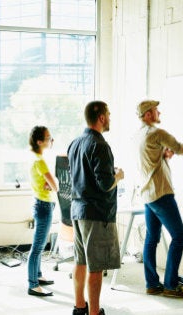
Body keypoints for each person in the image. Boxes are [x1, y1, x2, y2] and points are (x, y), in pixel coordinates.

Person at [135, 99, 183, 298]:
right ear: (148, 114)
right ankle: (171, 285)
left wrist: (163, 156)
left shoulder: (139, 135)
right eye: (156, 110)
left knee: (151, 238)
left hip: (148, 194)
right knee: (180, 237)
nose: (160, 112)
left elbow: (151, 159)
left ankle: (152, 283)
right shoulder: (158, 133)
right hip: (161, 194)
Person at [67, 100, 124, 315]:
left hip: (78, 210)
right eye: (108, 114)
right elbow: (105, 184)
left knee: (80, 261)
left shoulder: (75, 142)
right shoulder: (100, 145)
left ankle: (79, 307)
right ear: (101, 117)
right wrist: (118, 176)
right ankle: (94, 312)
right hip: (97, 215)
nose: (109, 118)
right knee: (97, 267)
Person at [26, 126, 59, 297]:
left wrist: (49, 184)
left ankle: (38, 276)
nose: (51, 140)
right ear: (39, 142)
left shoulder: (35, 158)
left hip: (40, 203)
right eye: (48, 137)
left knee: (38, 245)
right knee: (38, 247)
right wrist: (53, 184)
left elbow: (48, 183)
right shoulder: (40, 161)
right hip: (44, 206)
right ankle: (33, 284)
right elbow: (56, 186)